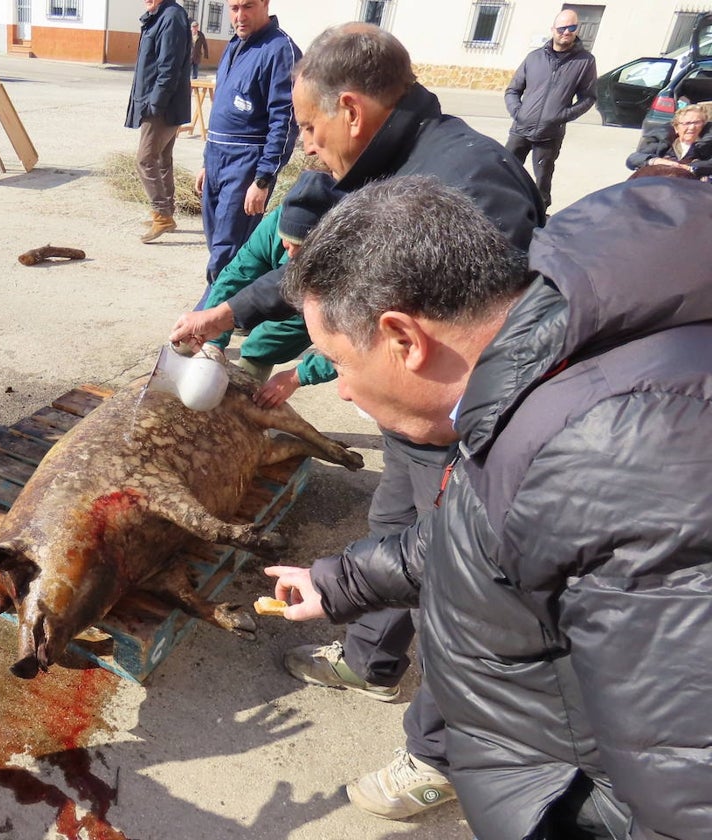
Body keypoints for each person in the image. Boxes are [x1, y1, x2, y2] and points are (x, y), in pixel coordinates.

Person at [170, 23, 543, 821]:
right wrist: (226, 312)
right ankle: (370, 660)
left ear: (349, 108)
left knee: (466, 583)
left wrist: (328, 371)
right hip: (417, 420)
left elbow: (480, 342)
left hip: (465, 423)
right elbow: (320, 275)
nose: (304, 146)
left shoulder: (472, 184)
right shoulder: (379, 164)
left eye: (307, 127)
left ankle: (441, 757)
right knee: (394, 525)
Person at [267, 174, 712, 840]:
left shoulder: (617, 457)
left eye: (336, 361)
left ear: (403, 339)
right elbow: (484, 531)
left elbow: (688, 787)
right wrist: (339, 583)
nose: (342, 392)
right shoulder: (535, 369)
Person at [199, 168, 340, 405]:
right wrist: (213, 337)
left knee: (263, 345)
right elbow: (236, 275)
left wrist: (298, 377)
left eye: (300, 247)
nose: (291, 251)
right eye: (287, 243)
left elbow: (366, 344)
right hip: (293, 288)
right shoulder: (275, 224)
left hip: (325, 297)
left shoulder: (358, 254)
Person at [196, 0, 300, 292]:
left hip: (246, 162)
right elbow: (221, 112)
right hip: (218, 157)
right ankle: (242, 310)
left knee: (226, 251)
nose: (239, 16)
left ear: (265, 4)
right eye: (233, 8)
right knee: (219, 242)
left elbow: (285, 120)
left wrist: (263, 178)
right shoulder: (234, 46)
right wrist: (207, 161)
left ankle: (206, 323)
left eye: (247, 6)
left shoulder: (280, 50)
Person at [504, 9, 597, 210]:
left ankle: (538, 219)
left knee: (542, 184)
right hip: (521, 130)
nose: (567, 32)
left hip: (550, 134)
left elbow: (588, 98)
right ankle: (500, 208)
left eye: (572, 28)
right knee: (504, 171)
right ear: (553, 29)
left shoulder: (585, 61)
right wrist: (518, 113)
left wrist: (562, 116)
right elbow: (512, 90)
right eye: (562, 28)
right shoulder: (534, 58)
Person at [125, 0, 191, 244]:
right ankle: (165, 212)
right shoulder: (159, 15)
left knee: (145, 159)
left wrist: (156, 104)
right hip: (159, 102)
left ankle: (162, 215)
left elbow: (169, 67)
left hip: (162, 105)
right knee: (162, 159)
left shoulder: (171, 16)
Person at [625, 103, 712, 178]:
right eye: (687, 123)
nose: (692, 127)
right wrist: (656, 161)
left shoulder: (707, 145)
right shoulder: (663, 141)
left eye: (697, 123)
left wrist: (689, 168)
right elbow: (633, 159)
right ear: (676, 128)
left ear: (703, 126)